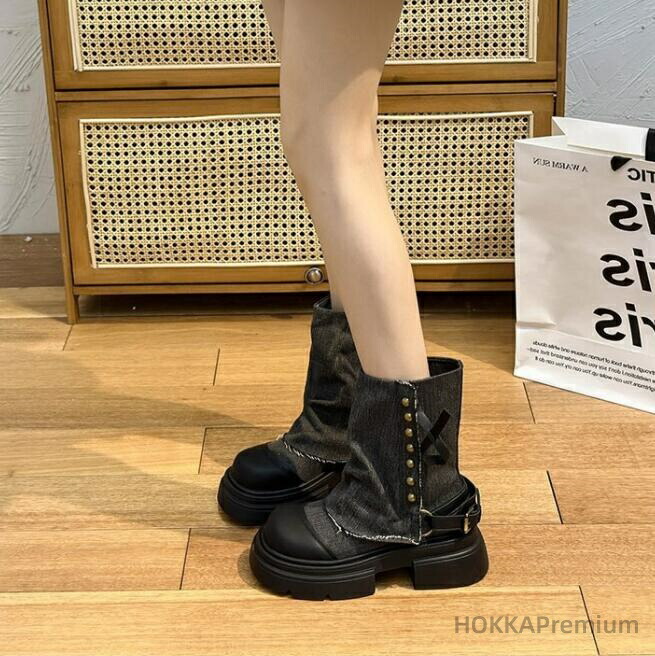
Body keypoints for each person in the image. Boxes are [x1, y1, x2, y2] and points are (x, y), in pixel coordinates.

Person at [218, 0, 488, 600]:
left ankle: (414, 499)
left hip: (413, 500)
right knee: (327, 134)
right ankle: (343, 430)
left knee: (330, 143)